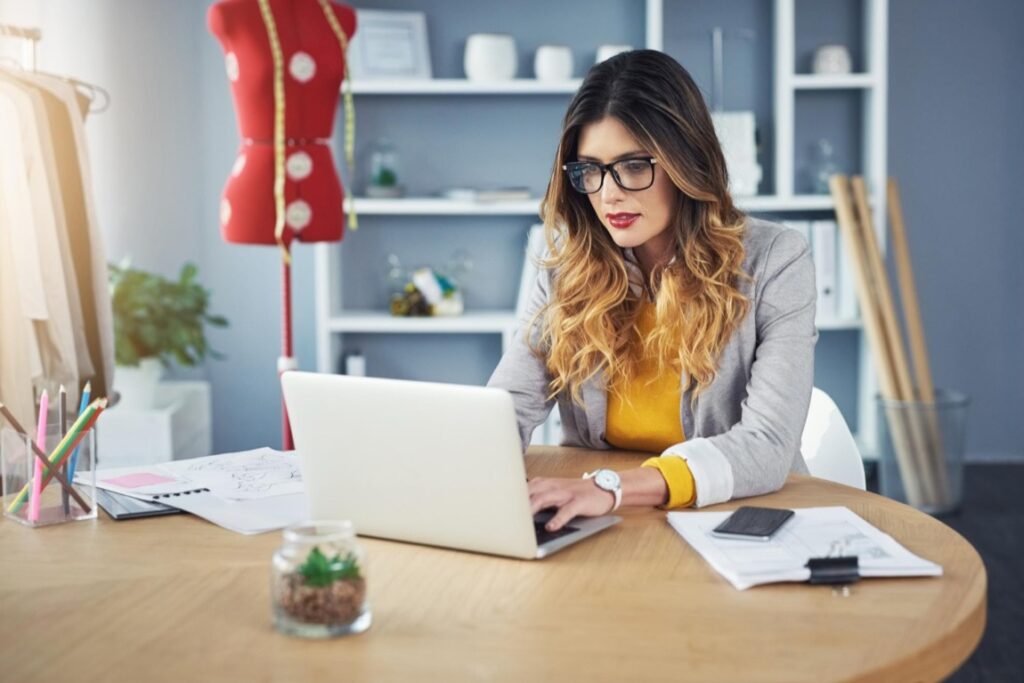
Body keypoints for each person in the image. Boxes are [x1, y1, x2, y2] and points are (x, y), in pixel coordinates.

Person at [487, 50, 818, 532]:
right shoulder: (567, 270)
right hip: (607, 522)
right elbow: (506, 410)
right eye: (590, 171)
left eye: (633, 166)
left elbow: (768, 444)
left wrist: (611, 488)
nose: (609, 194)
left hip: (732, 518)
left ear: (687, 162)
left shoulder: (775, 260)